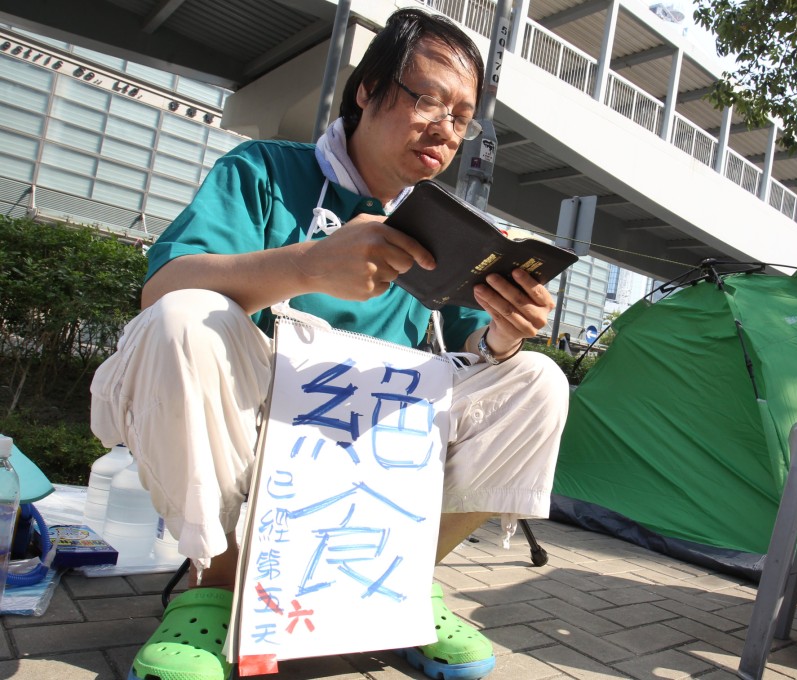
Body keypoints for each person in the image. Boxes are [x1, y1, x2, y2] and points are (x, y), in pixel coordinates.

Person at [90, 9, 569, 680]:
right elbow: (163, 290)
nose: (446, 128)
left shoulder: (445, 232)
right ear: (367, 90)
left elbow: (474, 365)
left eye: (462, 117)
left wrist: (505, 333)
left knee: (536, 381)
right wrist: (307, 266)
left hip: (378, 443)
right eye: (429, 98)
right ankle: (215, 588)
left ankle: (400, 587)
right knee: (184, 318)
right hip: (259, 430)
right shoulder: (262, 171)